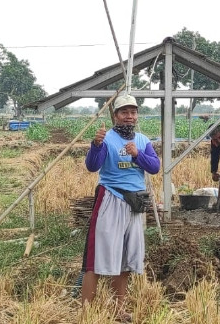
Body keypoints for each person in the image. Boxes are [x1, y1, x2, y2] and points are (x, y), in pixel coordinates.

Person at [80, 93, 160, 315]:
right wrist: (96, 145)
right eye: (124, 112)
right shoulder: (106, 139)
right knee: (96, 258)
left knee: (126, 259)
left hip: (134, 203)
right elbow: (92, 166)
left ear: (137, 116)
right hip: (111, 198)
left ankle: (119, 310)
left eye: (133, 112)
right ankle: (86, 313)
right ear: (115, 115)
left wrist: (137, 155)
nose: (129, 116)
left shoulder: (143, 141)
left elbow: (154, 167)